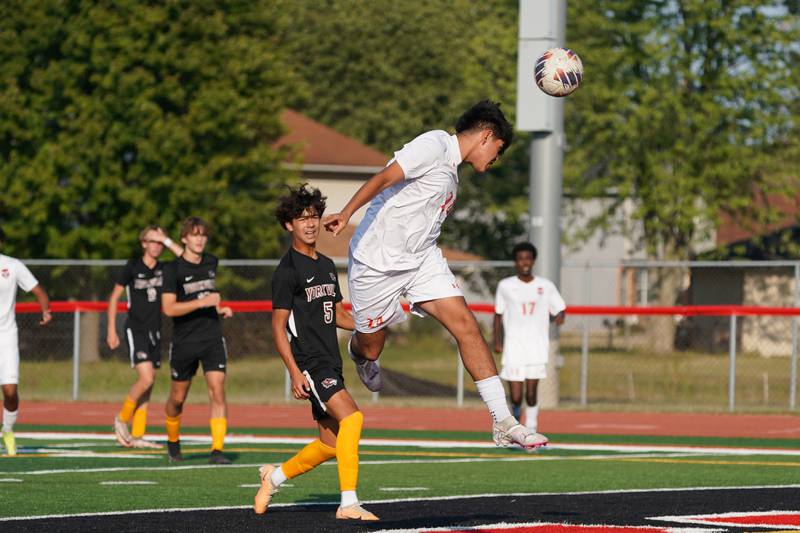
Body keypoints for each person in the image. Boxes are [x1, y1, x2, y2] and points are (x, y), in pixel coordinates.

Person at [322, 100, 546, 449]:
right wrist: (346, 212)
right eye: (498, 151)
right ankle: (359, 353)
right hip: (376, 262)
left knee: (466, 324)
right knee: (371, 346)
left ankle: (503, 420)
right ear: (487, 136)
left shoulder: (453, 172)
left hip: (422, 259)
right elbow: (384, 177)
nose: (495, 160)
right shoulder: (434, 144)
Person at [254, 184, 378, 521]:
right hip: (310, 363)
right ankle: (348, 503)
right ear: (288, 225)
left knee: (328, 444)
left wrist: (373, 323)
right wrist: (294, 372)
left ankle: (273, 477)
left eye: (313, 216)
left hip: (330, 361)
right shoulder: (287, 271)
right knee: (353, 417)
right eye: (301, 218)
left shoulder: (325, 265)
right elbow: (278, 327)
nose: (309, 223)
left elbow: (337, 314)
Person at [161, 217, 233, 464]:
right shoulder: (171, 270)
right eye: (194, 235)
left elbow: (208, 293)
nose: (200, 239)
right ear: (184, 238)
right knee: (177, 398)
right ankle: (172, 441)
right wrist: (202, 303)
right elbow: (169, 309)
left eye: (203, 235)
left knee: (218, 391)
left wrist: (219, 308)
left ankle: (217, 451)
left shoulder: (211, 261)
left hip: (212, 337)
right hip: (184, 341)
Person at [108, 226, 183, 448]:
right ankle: (121, 419)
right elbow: (114, 298)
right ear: (143, 243)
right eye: (152, 241)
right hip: (136, 329)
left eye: (159, 242)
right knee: (146, 378)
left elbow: (187, 259)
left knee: (149, 386)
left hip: (156, 330)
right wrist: (112, 329)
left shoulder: (165, 269)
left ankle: (138, 435)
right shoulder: (132, 266)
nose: (156, 246)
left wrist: (167, 239)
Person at [493, 242, 565, 435]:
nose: (524, 262)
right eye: (520, 258)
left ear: (533, 261)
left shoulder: (545, 286)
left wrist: (559, 317)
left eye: (528, 258)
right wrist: (497, 341)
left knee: (532, 392)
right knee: (516, 395)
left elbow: (560, 308)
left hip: (536, 347)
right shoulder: (506, 286)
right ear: (515, 262)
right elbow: (498, 315)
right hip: (514, 347)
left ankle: (531, 429)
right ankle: (515, 427)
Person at [0, 227, 51, 456]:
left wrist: (46, 310)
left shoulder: (12, 265)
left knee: (10, 391)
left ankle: (8, 430)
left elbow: (38, 289)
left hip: (7, 335)